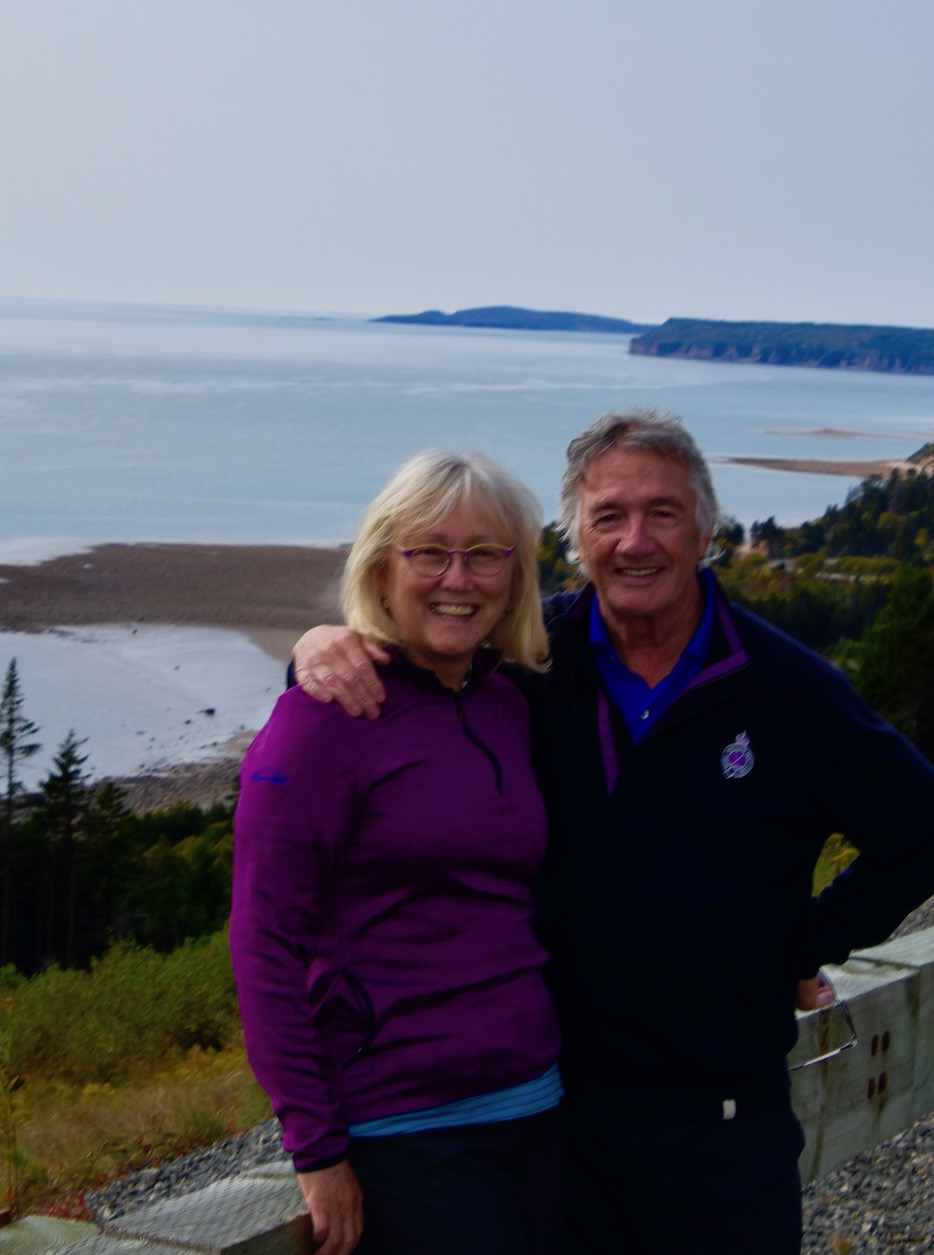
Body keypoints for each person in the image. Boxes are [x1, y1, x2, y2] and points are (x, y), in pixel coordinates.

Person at [294, 409, 934, 1254]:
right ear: (575, 536)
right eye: (608, 516)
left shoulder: (785, 687)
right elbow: (407, 656)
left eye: (663, 512)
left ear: (706, 529)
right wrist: (319, 646)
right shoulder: (529, 660)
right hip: (560, 1120)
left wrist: (799, 941)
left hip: (722, 1131)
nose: (635, 541)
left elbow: (932, 828)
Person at [232, 449, 566, 1255]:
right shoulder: (323, 720)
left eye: (486, 553)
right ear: (383, 566)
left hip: (542, 1109)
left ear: (515, 574)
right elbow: (263, 941)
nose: (460, 577)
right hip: (405, 1127)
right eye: (429, 551)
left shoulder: (507, 702)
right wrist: (316, 1149)